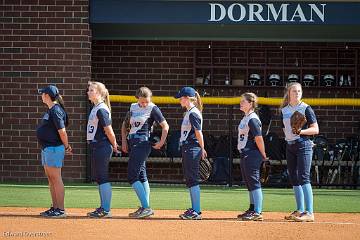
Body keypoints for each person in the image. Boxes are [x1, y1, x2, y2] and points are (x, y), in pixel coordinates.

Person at [121, 87, 169, 218]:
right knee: (142, 175)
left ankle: (146, 208)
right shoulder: (133, 107)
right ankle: (144, 207)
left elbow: (165, 126)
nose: (144, 104)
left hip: (143, 144)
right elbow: (125, 126)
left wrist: (161, 142)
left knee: (132, 176)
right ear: (137, 99)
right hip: (132, 143)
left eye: (146, 101)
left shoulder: (153, 108)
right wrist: (124, 142)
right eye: (142, 102)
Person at [281, 82, 319, 222]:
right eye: (294, 91)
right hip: (290, 146)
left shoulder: (306, 108)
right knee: (294, 178)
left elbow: (315, 129)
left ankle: (309, 212)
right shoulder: (284, 110)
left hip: (303, 144)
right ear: (288, 93)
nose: (297, 93)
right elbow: (285, 130)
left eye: (299, 91)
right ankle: (300, 210)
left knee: (303, 177)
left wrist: (301, 131)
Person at [36, 85, 72, 218]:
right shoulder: (51, 110)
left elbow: (62, 132)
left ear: (47, 96)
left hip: (54, 148)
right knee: (51, 179)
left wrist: (67, 146)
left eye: (42, 93)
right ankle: (55, 207)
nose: (41, 96)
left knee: (56, 179)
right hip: (47, 148)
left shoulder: (55, 110)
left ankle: (60, 209)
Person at [86, 81, 119, 218]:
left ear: (99, 93)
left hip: (102, 145)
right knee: (100, 177)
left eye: (91, 90)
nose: (88, 92)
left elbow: (108, 130)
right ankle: (103, 207)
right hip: (97, 145)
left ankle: (106, 209)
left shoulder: (101, 109)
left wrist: (115, 144)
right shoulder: (96, 107)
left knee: (103, 176)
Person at [175, 87, 207, 220]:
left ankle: (196, 211)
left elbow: (198, 132)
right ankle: (195, 208)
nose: (179, 100)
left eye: (181, 98)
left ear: (187, 98)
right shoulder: (190, 112)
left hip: (192, 148)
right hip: (189, 148)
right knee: (190, 179)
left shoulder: (193, 113)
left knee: (192, 179)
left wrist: (202, 148)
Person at [237, 92, 268, 221]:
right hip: (245, 153)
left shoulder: (253, 118)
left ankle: (257, 211)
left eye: (243, 101)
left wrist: (264, 155)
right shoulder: (246, 117)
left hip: (252, 153)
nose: (240, 103)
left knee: (254, 182)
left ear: (250, 104)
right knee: (249, 183)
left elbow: (258, 138)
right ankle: (252, 208)